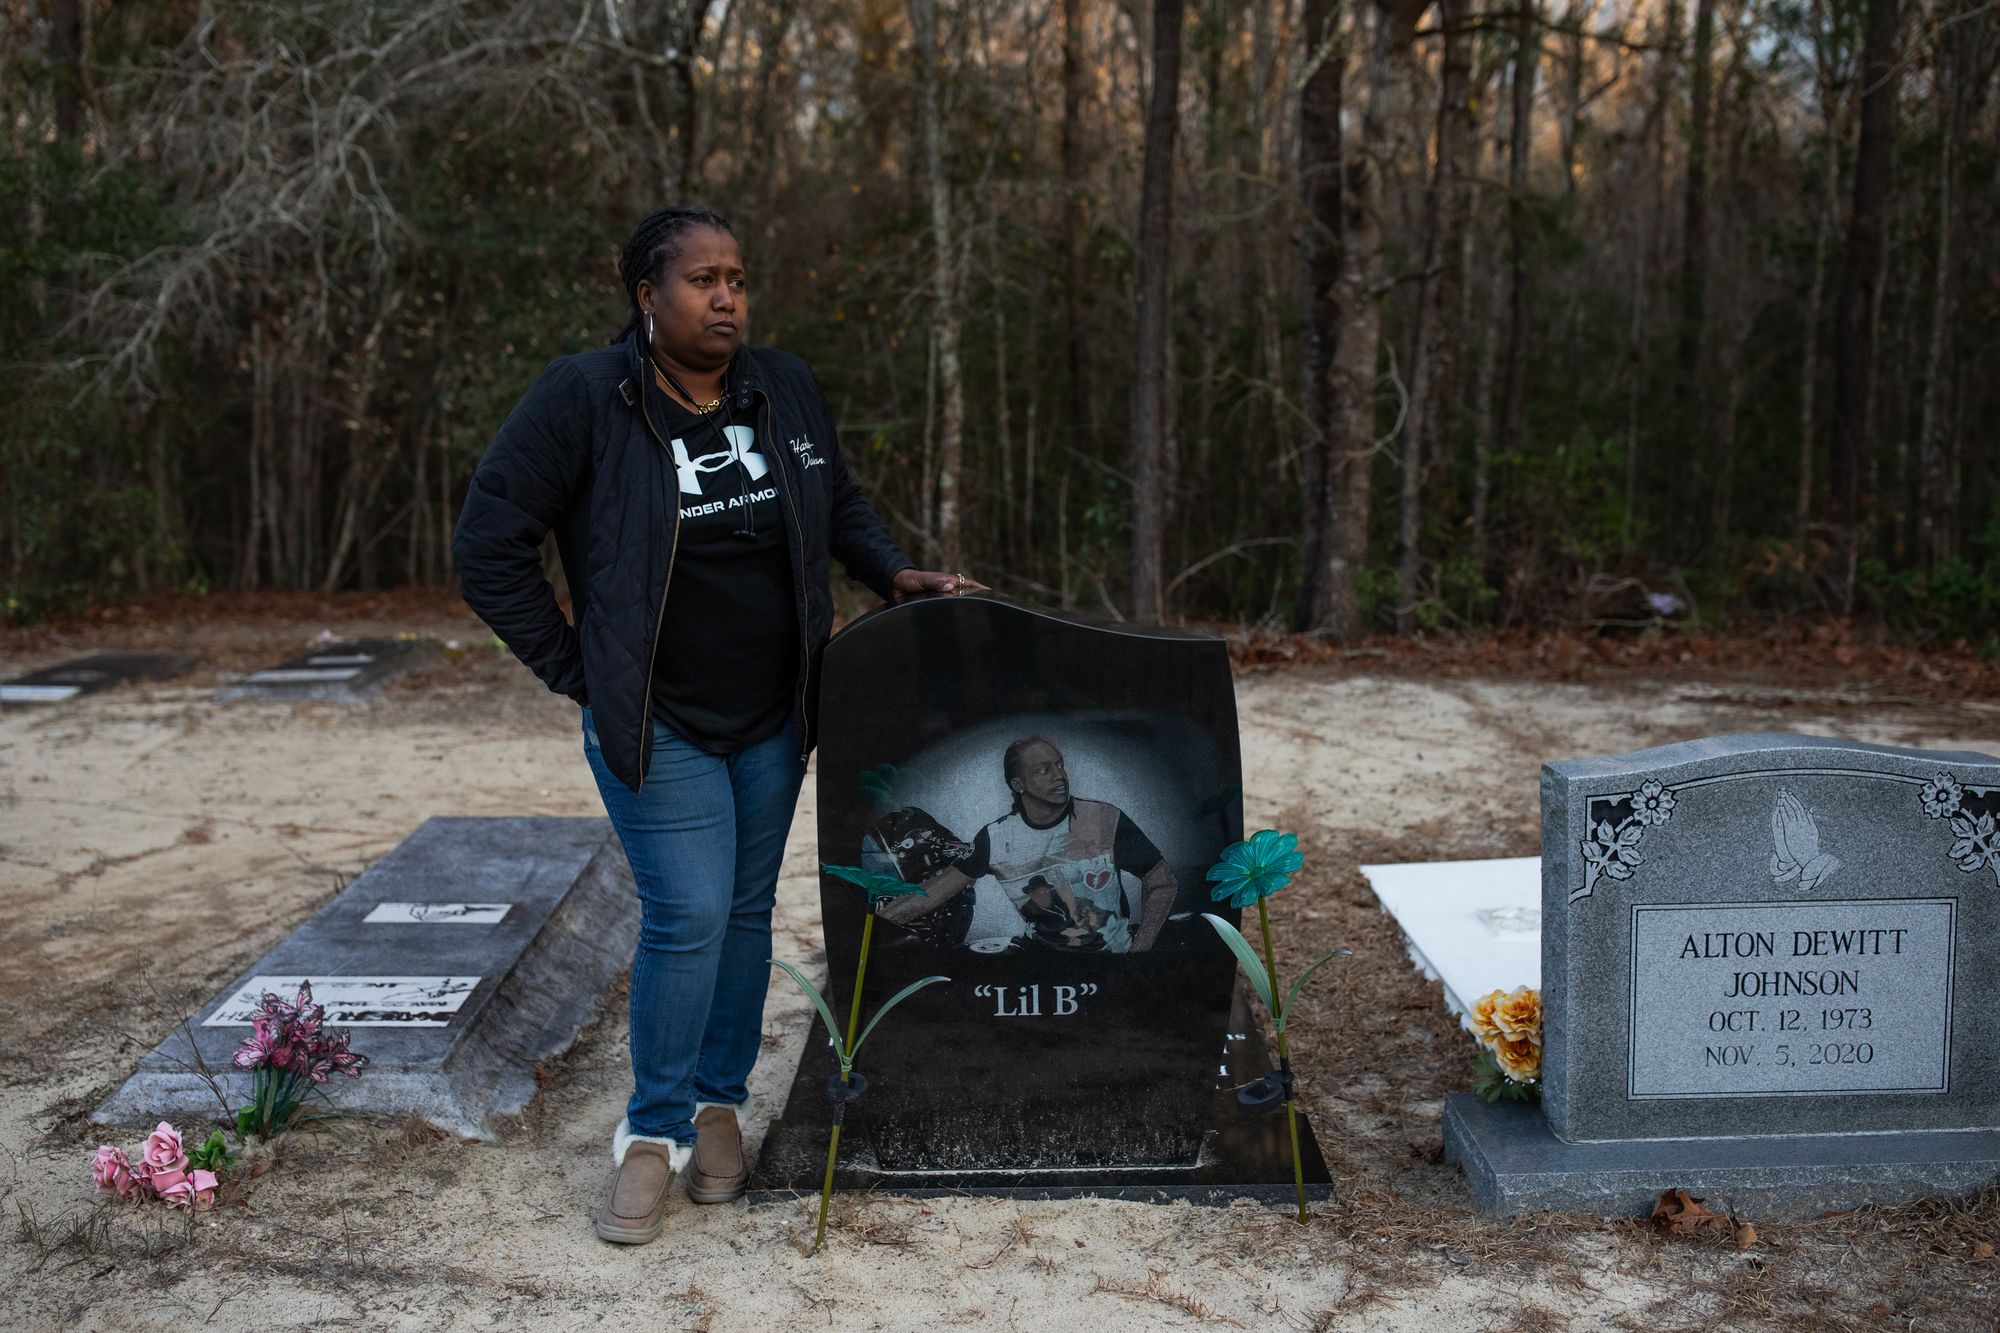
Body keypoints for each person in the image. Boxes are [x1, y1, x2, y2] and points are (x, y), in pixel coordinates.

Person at [453, 205, 983, 1245]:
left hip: (775, 713)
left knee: (742, 914)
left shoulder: (779, 385)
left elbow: (837, 506)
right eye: (700, 279)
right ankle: (648, 1134)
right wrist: (579, 672)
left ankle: (717, 1107)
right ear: (644, 296)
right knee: (687, 912)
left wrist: (888, 570)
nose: (726, 296)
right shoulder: (583, 401)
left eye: (736, 277)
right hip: (660, 723)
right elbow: (487, 545)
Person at [877, 737, 1177, 953]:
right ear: (1018, 785)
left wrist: (1141, 949)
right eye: (1044, 770)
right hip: (1040, 963)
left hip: (1113, 959)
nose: (1060, 776)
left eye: (1060, 765)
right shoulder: (996, 838)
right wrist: (867, 926)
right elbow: (931, 894)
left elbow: (1161, 880)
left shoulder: (1104, 818)